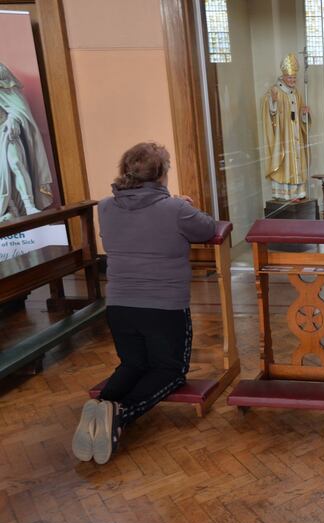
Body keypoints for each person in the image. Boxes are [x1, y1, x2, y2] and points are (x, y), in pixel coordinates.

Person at [71, 142, 216, 465]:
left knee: (133, 364)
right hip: (164, 307)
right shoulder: (175, 210)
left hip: (120, 305)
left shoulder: (106, 207)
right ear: (162, 174)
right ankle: (119, 414)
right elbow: (206, 229)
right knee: (170, 371)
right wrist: (181, 204)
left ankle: (102, 404)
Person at [0, 63, 54, 221]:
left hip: (6, 129)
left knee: (15, 162)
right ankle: (10, 208)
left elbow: (17, 106)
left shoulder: (0, 71)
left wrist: (13, 119)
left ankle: (29, 204)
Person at [263, 52, 310, 201]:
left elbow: (303, 116)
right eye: (290, 78)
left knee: (296, 161)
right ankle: (284, 194)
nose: (292, 80)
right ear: (283, 77)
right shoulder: (276, 90)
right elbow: (270, 112)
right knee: (285, 160)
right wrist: (273, 101)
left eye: (294, 78)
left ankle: (297, 193)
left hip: (296, 133)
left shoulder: (296, 93)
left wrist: (304, 113)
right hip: (283, 135)